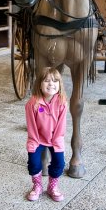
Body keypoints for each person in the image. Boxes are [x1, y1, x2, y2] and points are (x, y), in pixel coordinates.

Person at [25, 67, 68, 202]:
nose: (51, 84)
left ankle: (52, 186)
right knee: (33, 163)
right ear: (39, 84)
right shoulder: (33, 103)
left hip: (56, 139)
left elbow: (61, 125)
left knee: (59, 163)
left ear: (59, 84)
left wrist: (56, 142)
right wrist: (34, 142)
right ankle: (37, 185)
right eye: (46, 81)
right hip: (37, 139)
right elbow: (31, 126)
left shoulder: (62, 102)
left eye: (55, 81)